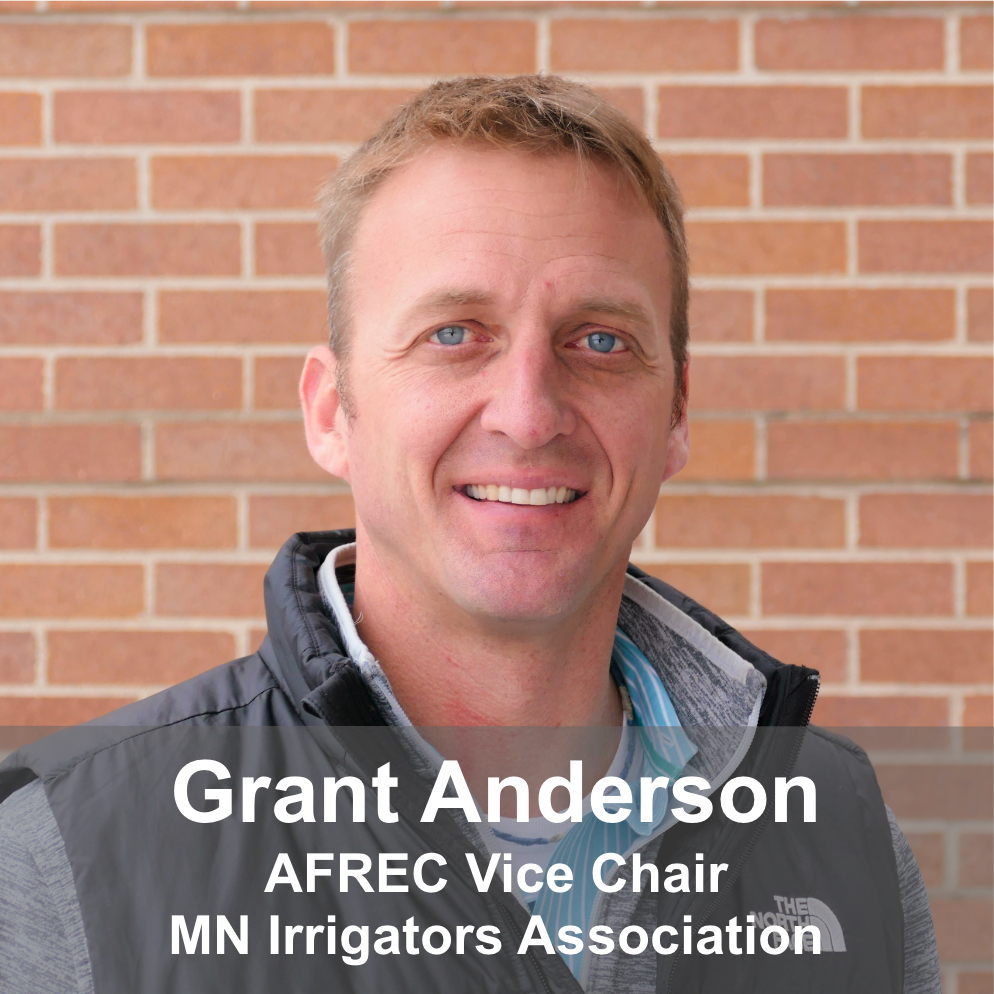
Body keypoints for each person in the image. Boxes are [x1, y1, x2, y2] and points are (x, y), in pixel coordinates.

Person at [0, 74, 938, 994]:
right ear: (333, 412)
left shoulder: (840, 840)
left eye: (600, 340)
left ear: (677, 412)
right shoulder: (67, 860)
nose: (530, 414)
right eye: (455, 334)